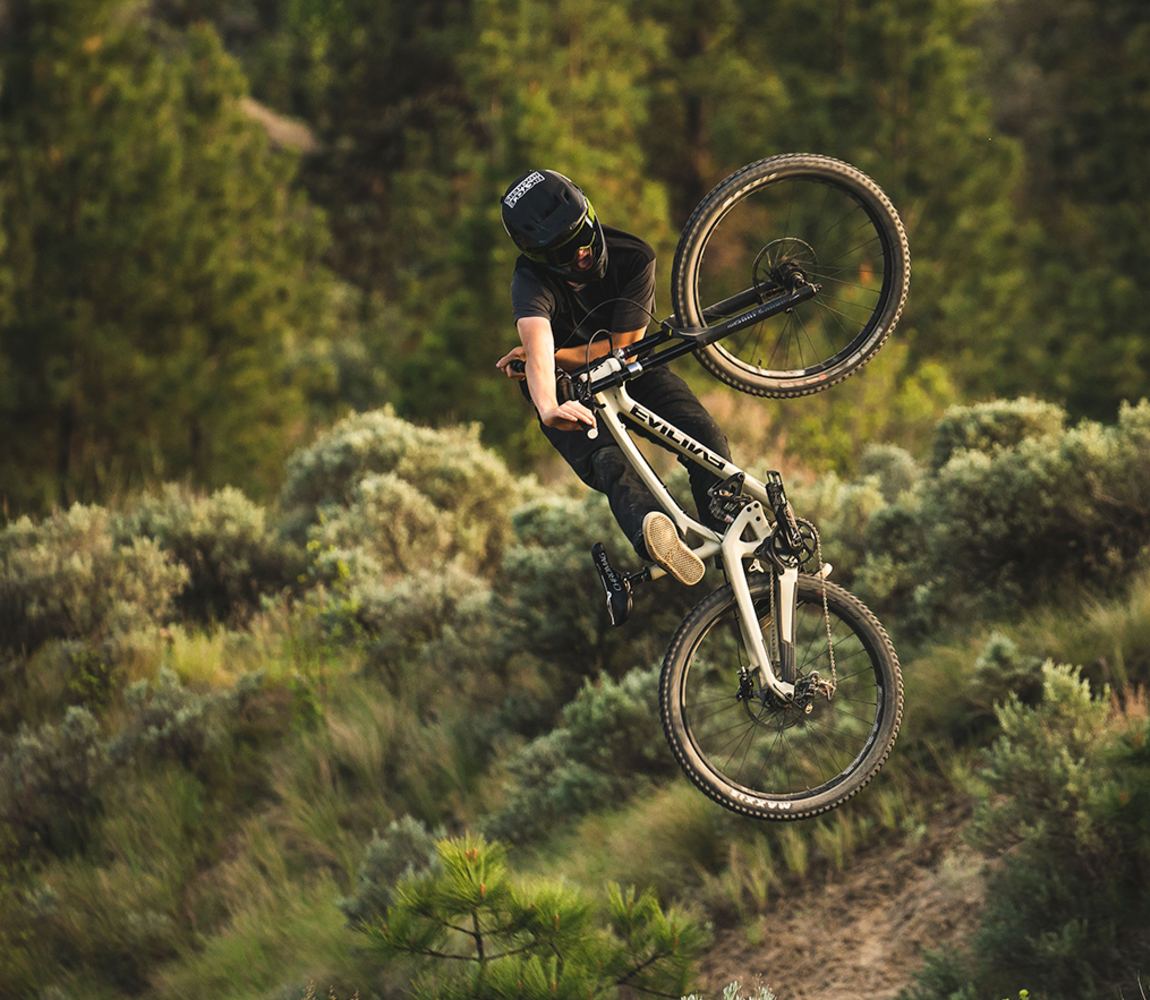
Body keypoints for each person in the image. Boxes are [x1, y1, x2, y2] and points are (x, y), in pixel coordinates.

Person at [495, 168, 732, 586]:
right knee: (610, 463)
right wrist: (548, 402)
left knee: (706, 439)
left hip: (632, 365)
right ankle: (652, 530)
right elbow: (536, 339)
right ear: (537, 258)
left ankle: (741, 560)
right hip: (567, 389)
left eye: (583, 238)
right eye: (564, 254)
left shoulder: (634, 256)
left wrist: (550, 357)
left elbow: (622, 346)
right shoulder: (529, 282)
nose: (582, 255)